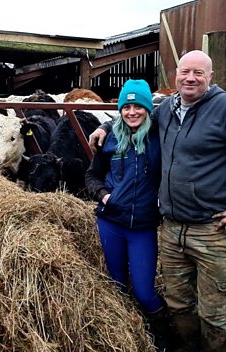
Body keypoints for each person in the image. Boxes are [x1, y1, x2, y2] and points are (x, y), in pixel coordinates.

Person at [89, 50, 226, 352]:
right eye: (185, 72)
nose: (190, 78)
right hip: (171, 227)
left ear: (211, 76)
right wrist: (104, 126)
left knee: (214, 312)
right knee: (179, 303)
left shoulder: (221, 107)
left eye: (198, 73)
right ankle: (182, 346)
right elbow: (131, 111)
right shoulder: (167, 110)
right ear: (176, 75)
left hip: (210, 230)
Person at [85, 79, 170, 351]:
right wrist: (104, 196)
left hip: (143, 227)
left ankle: (163, 336)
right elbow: (92, 175)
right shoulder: (109, 139)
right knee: (117, 285)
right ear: (120, 110)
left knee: (145, 292)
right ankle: (126, 338)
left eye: (138, 106)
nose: (132, 112)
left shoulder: (159, 136)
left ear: (148, 109)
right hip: (110, 222)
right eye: (126, 107)